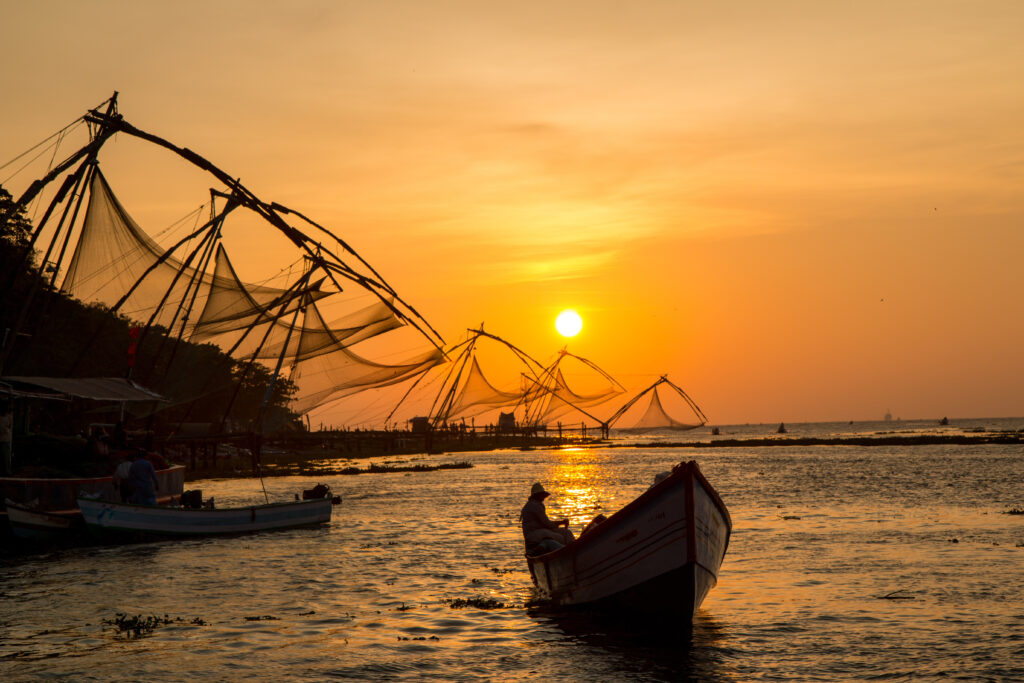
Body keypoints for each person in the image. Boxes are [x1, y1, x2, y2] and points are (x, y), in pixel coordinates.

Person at [520, 482, 574, 554]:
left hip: (539, 531)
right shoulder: (535, 506)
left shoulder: (534, 504)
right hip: (533, 534)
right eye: (541, 495)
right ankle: (568, 552)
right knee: (560, 537)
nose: (543, 498)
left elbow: (546, 523)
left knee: (567, 533)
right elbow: (547, 523)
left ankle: (570, 549)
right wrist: (561, 522)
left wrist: (560, 523)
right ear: (537, 495)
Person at [0, 400, 12, 476]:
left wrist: (6, 430)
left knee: (6, 457)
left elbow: (9, 427)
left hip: (6, 440)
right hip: (2, 440)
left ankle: (6, 472)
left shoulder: (8, 417)